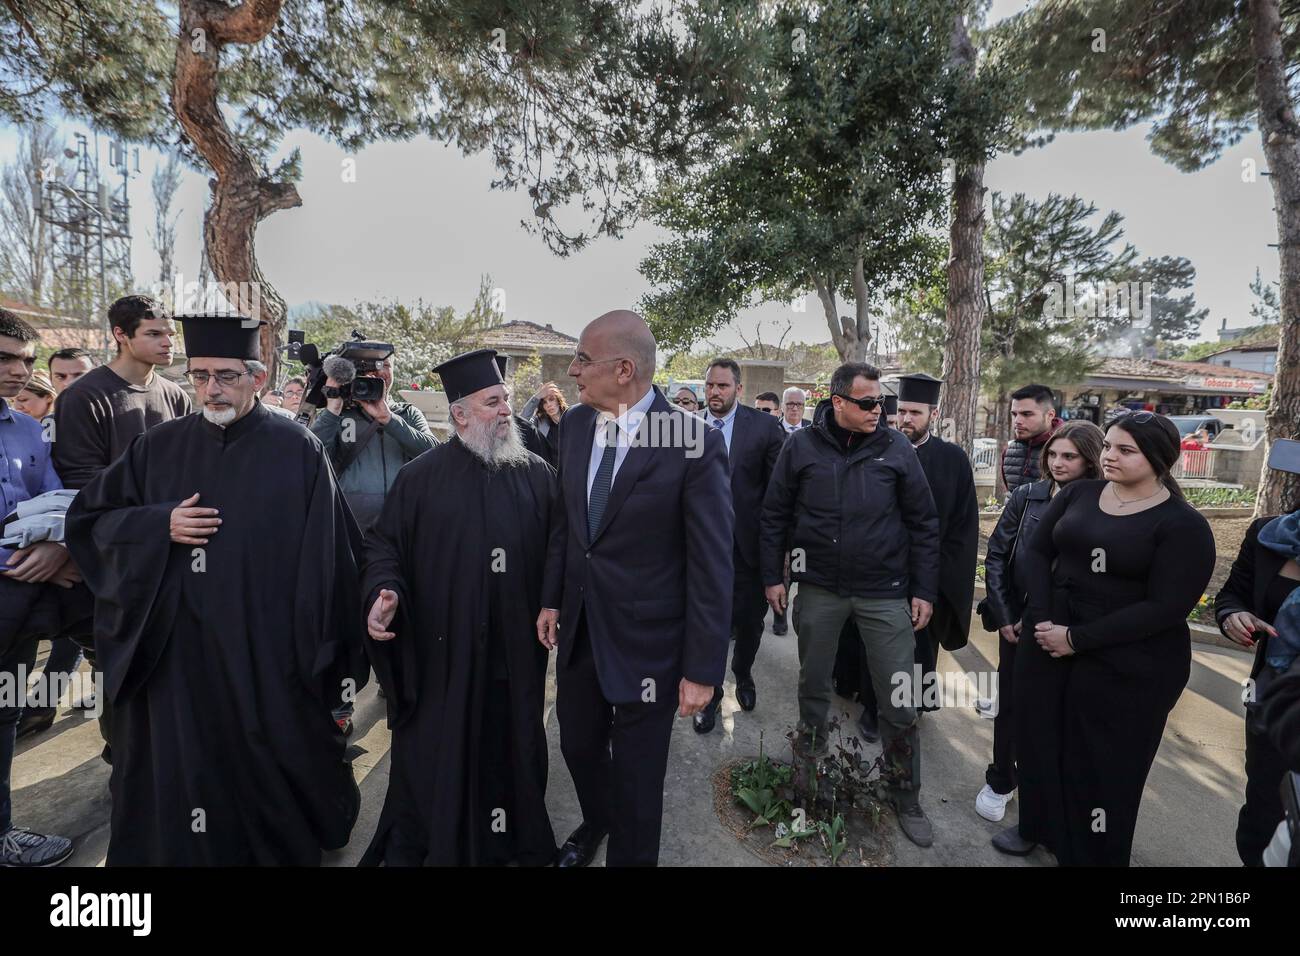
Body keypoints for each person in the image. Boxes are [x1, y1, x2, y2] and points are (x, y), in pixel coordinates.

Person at [64, 314, 366, 865]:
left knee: (261, 756)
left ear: (256, 375)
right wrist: (158, 525)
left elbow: (331, 556)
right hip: (175, 652)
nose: (211, 389)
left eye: (225, 375)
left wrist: (316, 647)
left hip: (263, 651)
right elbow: (89, 522)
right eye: (200, 375)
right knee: (180, 764)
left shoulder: (297, 449)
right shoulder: (157, 447)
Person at [537, 310, 732, 867]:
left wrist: (702, 669)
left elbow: (712, 564)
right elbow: (565, 526)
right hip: (579, 634)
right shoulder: (574, 426)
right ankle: (599, 820)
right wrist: (553, 597)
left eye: (582, 359)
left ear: (623, 369)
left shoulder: (692, 441)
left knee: (640, 779)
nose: (572, 371)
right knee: (576, 746)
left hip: (651, 647)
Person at [361, 349, 557, 866]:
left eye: (507, 401)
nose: (505, 411)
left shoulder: (536, 474)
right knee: (441, 751)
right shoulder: (420, 478)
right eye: (492, 403)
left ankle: (509, 840)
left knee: (508, 745)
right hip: (442, 653)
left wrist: (552, 603)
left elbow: (560, 550)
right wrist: (386, 593)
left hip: (515, 652)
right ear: (461, 414)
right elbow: (384, 548)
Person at [994, 412, 1215, 864]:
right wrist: (1044, 619)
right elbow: (1038, 551)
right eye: (1109, 445)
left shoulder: (1182, 526)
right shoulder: (1080, 493)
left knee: (1101, 764)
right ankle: (1036, 826)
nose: (1110, 456)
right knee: (1038, 738)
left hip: (1127, 660)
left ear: (1159, 459)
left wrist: (1076, 638)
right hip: (1049, 634)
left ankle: (1090, 853)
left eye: (1125, 450)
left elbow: (1165, 609)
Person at [759, 362, 940, 847]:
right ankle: (807, 781)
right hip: (819, 586)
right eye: (867, 403)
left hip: (885, 591)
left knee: (899, 698)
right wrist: (772, 577)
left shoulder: (897, 449)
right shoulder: (800, 447)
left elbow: (924, 522)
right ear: (837, 401)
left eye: (881, 402)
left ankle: (905, 795)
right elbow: (774, 514)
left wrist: (923, 589)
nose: (878, 411)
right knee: (813, 687)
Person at [45, 296, 190, 759]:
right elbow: (84, 488)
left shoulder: (176, 394)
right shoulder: (84, 398)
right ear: (120, 335)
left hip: (172, 557)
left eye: (169, 333)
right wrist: (154, 520)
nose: (167, 342)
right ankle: (126, 763)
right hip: (114, 565)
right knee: (119, 669)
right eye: (154, 333)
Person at [974, 420, 1103, 823]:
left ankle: (1050, 788)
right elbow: (997, 556)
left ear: (1091, 459)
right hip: (1022, 621)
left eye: (1070, 456)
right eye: (1053, 454)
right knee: (1011, 704)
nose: (1059, 463)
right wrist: (1006, 615)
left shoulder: (1106, 502)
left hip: (1077, 629)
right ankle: (1000, 780)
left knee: (1064, 711)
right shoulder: (1029, 497)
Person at [846, 373, 978, 737]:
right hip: (878, 572)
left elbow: (962, 530)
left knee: (919, 647)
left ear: (933, 415)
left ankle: (910, 708)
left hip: (925, 574)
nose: (905, 419)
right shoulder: (873, 449)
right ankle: (873, 709)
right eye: (901, 411)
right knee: (873, 645)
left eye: (915, 413)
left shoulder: (952, 460)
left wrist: (937, 583)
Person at [0, 309, 76, 866]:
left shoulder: (29, 430)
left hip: (20, 599)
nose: (19, 371)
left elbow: (53, 502)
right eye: (6, 358)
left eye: (26, 360)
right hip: (15, 575)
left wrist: (59, 550)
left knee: (5, 713)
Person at [1215, 443, 1300, 866]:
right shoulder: (1269, 535)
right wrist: (1233, 615)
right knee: (1262, 823)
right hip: (1273, 706)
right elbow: (1232, 595)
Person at [692, 358, 785, 733]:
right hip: (700, 552)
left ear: (739, 389)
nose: (715, 392)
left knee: (749, 625)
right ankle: (711, 695)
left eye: (723, 386)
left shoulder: (764, 427)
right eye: (710, 385)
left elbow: (778, 497)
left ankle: (742, 674)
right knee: (708, 626)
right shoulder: (686, 427)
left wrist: (775, 561)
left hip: (747, 551)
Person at [310, 348, 437, 534]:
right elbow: (314, 459)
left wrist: (389, 419)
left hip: (401, 525)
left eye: (386, 365)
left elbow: (433, 453)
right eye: (371, 366)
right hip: (349, 525)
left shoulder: (408, 414)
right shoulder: (340, 415)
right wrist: (332, 410)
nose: (379, 372)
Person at [1000, 383, 1061, 494]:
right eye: (1014, 414)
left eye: (1026, 414)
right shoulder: (1010, 450)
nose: (1017, 421)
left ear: (1050, 415)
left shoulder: (1068, 448)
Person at [518, 381, 567, 467]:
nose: (549, 404)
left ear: (558, 401)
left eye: (551, 399)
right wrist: (537, 397)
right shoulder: (539, 422)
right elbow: (522, 421)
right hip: (550, 473)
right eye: (544, 402)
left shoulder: (571, 417)